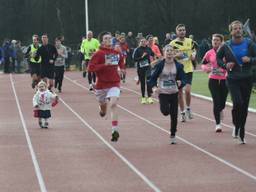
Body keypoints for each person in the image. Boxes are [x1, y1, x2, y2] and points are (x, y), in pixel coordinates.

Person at [217, 20, 256, 144]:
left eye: (240, 28)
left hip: (247, 78)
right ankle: (236, 124)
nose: (238, 30)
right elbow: (218, 58)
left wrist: (249, 59)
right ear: (231, 31)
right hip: (233, 79)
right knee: (238, 102)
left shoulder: (249, 43)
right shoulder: (226, 45)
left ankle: (241, 130)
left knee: (244, 106)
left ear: (242, 30)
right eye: (235, 28)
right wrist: (224, 65)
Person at [88, 31, 125, 142]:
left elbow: (121, 60)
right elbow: (91, 68)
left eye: (110, 38)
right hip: (101, 85)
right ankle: (102, 110)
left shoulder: (116, 52)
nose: (108, 40)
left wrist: (122, 68)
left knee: (113, 104)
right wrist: (104, 65)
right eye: (106, 38)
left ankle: (114, 130)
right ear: (102, 41)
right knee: (103, 109)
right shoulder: (98, 53)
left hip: (114, 83)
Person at [148, 45, 185, 144]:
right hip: (163, 93)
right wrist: (154, 88)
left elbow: (183, 78)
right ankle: (166, 109)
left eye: (171, 51)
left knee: (174, 115)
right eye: (167, 51)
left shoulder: (178, 65)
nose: (169, 52)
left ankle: (173, 134)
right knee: (165, 112)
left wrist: (180, 82)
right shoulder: (159, 65)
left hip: (174, 92)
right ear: (164, 53)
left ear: (173, 53)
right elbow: (151, 79)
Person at [201, 34, 228, 132]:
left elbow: (231, 63)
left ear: (221, 41)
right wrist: (207, 68)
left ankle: (220, 109)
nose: (215, 42)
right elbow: (203, 64)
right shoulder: (209, 53)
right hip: (213, 80)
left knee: (222, 103)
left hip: (225, 80)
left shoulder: (226, 52)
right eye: (213, 40)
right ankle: (218, 124)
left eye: (217, 40)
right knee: (216, 102)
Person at [170, 24, 196, 122]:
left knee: (188, 91)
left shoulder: (190, 41)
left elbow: (194, 51)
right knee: (179, 93)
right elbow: (169, 54)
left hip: (188, 69)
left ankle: (188, 108)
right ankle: (182, 113)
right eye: (180, 30)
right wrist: (177, 55)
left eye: (183, 30)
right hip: (178, 71)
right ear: (176, 32)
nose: (182, 32)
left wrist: (193, 55)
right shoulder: (173, 43)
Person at [133, 37, 154, 104]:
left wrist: (154, 59)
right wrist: (142, 57)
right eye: (142, 41)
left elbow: (152, 54)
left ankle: (149, 97)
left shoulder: (148, 48)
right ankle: (143, 97)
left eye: (144, 41)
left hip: (148, 67)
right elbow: (134, 59)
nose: (143, 42)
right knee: (142, 83)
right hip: (140, 68)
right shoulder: (137, 50)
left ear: (146, 42)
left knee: (148, 82)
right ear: (139, 42)